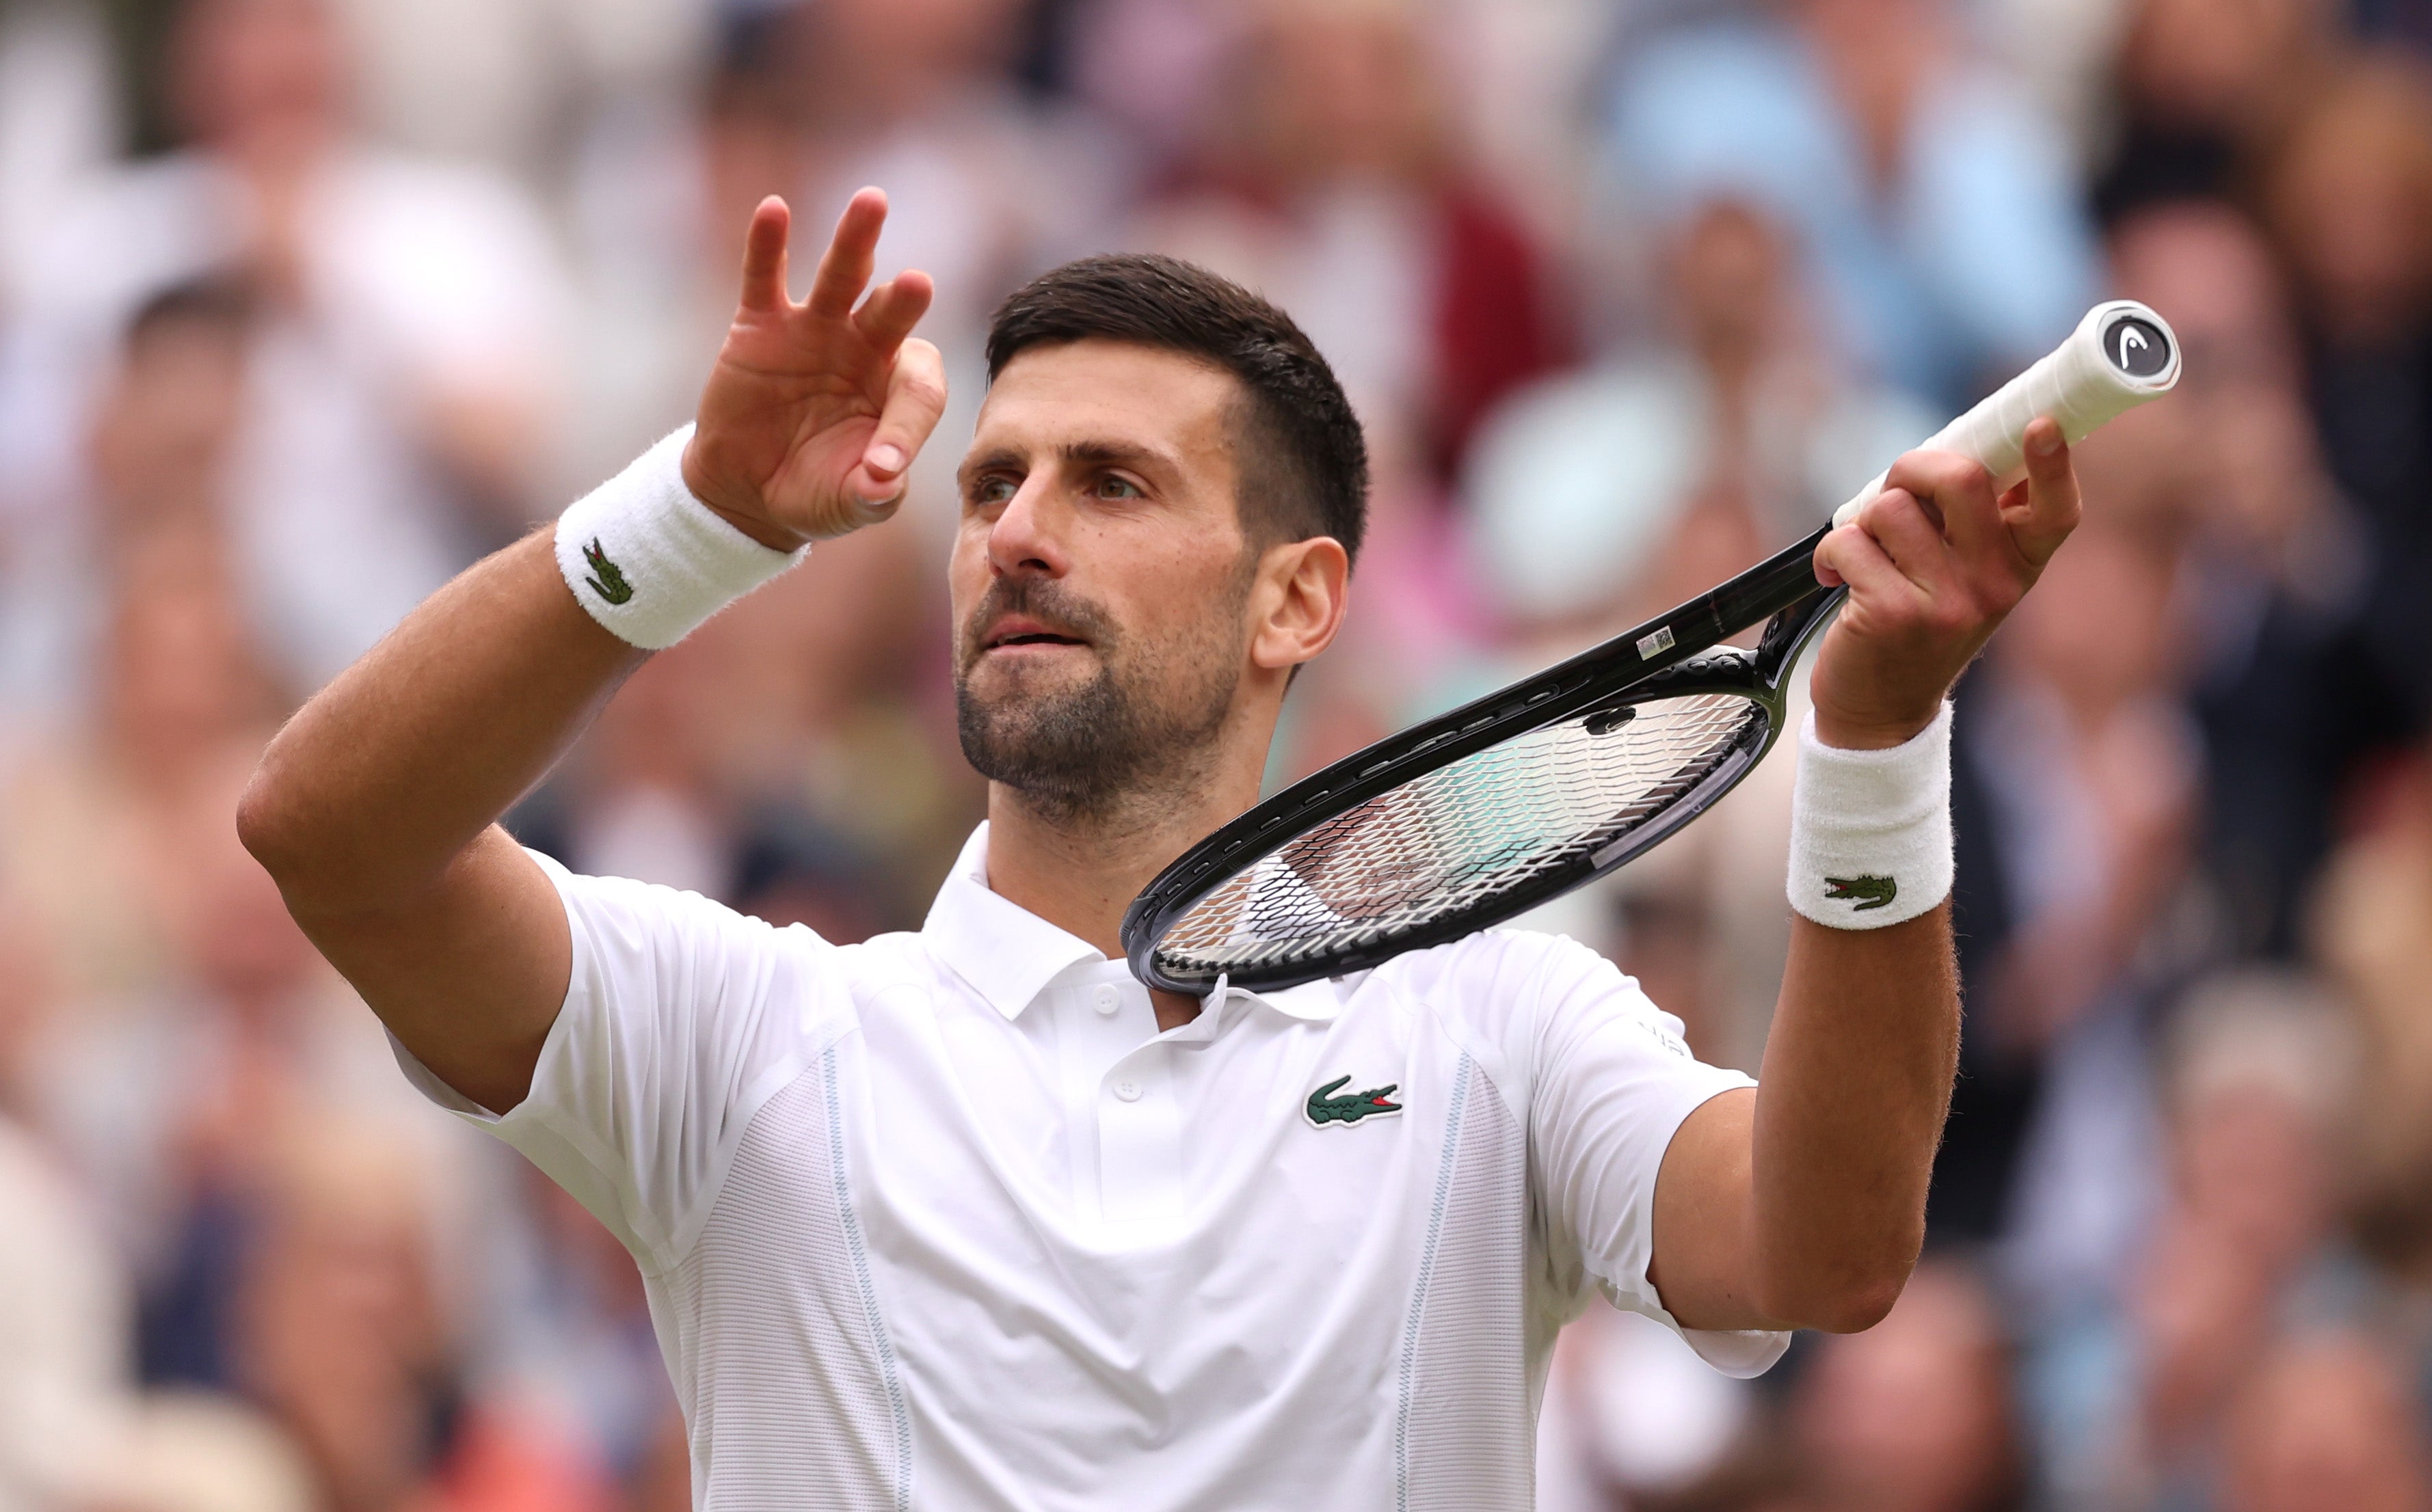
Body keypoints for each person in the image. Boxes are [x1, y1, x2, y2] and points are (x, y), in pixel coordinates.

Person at [238, 187, 2084, 1506]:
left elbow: (1829, 1245)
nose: (1019, 532)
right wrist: (697, 518)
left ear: (1301, 601)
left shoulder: (1501, 1030)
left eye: (1112, 484)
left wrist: (1879, 737)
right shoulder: (747, 1035)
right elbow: (332, 839)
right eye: (990, 483)